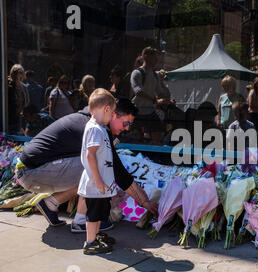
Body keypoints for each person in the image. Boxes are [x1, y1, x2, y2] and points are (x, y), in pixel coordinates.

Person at [15, 97, 158, 232]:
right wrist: (144, 202)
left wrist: (143, 200)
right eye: (126, 123)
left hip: (32, 172)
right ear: (112, 114)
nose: (127, 128)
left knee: (98, 164)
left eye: (130, 125)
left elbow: (117, 170)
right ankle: (82, 221)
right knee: (97, 166)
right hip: (32, 172)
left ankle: (50, 204)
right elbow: (117, 170)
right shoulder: (94, 128)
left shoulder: (91, 122)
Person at [78, 89, 117, 255]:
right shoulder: (94, 129)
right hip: (95, 183)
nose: (113, 117)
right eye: (112, 113)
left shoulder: (99, 128)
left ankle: (96, 235)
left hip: (101, 183)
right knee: (93, 214)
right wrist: (99, 180)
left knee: (101, 211)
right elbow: (90, 155)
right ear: (106, 109)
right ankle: (90, 242)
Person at [130, 46, 168, 145]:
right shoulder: (137, 73)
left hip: (150, 111)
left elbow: (160, 93)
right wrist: (154, 100)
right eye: (154, 57)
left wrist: (165, 94)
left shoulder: (155, 75)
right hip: (136, 111)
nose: (156, 60)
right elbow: (138, 92)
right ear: (145, 57)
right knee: (133, 138)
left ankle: (153, 154)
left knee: (158, 135)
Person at [7, 64, 30, 133]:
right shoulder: (8, 85)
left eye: (20, 72)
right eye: (16, 72)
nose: (18, 75)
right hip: (9, 116)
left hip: (19, 116)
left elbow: (26, 102)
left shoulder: (23, 87)